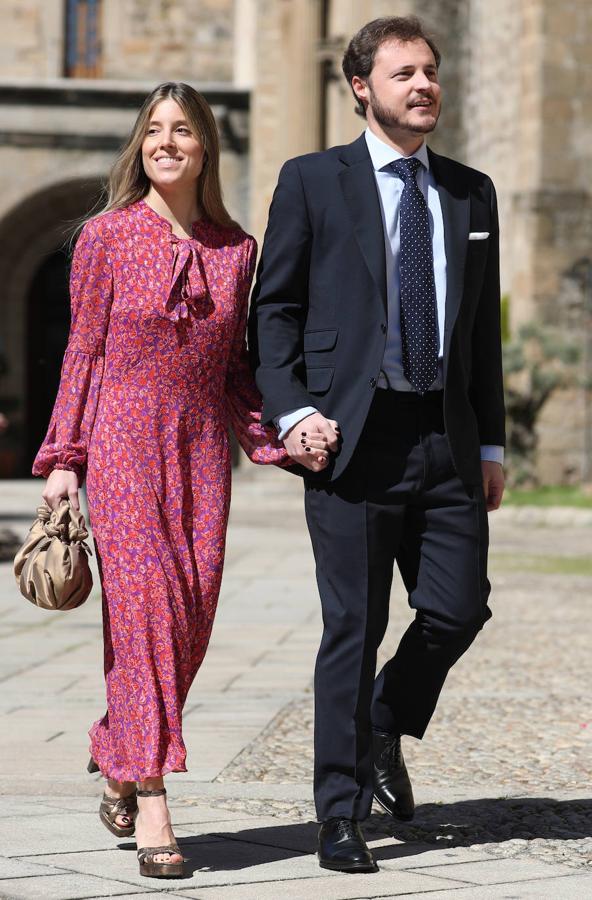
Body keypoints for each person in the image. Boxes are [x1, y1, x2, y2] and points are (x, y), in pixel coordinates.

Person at [249, 16, 505, 874]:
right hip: (351, 440)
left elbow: (480, 334)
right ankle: (341, 813)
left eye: (431, 71)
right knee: (353, 628)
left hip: (445, 435)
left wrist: (493, 444)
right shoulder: (313, 180)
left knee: (459, 608)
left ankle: (386, 720)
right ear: (361, 86)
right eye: (405, 73)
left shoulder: (471, 192)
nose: (424, 85)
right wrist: (292, 413)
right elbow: (274, 312)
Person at [33, 82, 294, 879]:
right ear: (139, 145)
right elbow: (83, 351)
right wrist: (65, 457)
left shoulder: (236, 250)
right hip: (122, 441)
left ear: (206, 145)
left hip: (200, 449)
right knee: (145, 613)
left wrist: (279, 438)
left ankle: (118, 750)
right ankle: (152, 800)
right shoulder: (106, 236)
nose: (166, 142)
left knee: (191, 614)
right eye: (154, 130)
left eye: (182, 129)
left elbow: (236, 369)